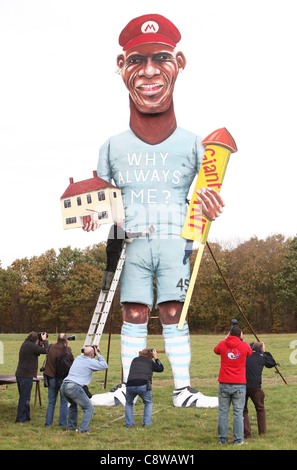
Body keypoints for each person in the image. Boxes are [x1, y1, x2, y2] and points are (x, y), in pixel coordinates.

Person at [84, 13, 225, 408]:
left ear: (179, 63)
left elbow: (210, 190)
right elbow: (102, 198)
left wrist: (211, 204)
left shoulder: (196, 143)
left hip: (175, 239)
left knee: (173, 310)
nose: (149, 71)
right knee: (132, 311)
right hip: (129, 242)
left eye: (161, 58)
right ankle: (128, 390)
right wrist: (95, 217)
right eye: (136, 60)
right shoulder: (111, 145)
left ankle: (182, 391)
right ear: (121, 66)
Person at [214, 325, 253, 445]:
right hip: (239, 383)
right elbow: (250, 353)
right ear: (240, 335)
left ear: (229, 333)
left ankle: (222, 439)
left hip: (224, 382)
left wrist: (226, 338)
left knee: (223, 412)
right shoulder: (244, 345)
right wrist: (242, 340)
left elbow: (216, 350)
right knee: (238, 412)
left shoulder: (223, 343)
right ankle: (238, 439)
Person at [60, 345, 108, 433]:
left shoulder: (79, 358)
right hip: (74, 387)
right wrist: (98, 353)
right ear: (92, 354)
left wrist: (90, 349)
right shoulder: (90, 362)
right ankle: (83, 430)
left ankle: (71, 427)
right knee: (89, 408)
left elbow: (85, 351)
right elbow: (104, 365)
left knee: (73, 405)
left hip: (64, 386)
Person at [102, 222, 154, 291]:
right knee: (112, 268)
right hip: (114, 251)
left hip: (109, 249)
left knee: (108, 267)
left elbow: (125, 235)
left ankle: (103, 286)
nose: (122, 224)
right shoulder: (118, 230)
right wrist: (144, 232)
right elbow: (128, 235)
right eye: (121, 222)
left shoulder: (113, 227)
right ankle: (107, 286)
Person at [243, 341, 277, 439]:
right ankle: (262, 433)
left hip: (242, 385)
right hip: (256, 387)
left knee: (243, 410)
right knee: (260, 409)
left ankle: (247, 434)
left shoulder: (246, 355)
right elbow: (272, 363)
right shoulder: (262, 357)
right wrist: (266, 353)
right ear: (262, 348)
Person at [125, 348, 164, 428]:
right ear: (151, 355)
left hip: (130, 384)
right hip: (143, 385)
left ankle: (129, 424)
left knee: (129, 403)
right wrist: (156, 358)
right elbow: (160, 368)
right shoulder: (150, 361)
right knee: (148, 403)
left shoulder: (135, 360)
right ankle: (147, 423)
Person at [15, 331, 49, 423]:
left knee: (25, 397)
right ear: (36, 339)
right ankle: (20, 419)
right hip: (25, 375)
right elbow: (46, 350)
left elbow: (37, 352)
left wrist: (40, 342)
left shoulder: (26, 344)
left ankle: (26, 417)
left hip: (22, 374)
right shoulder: (30, 346)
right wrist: (45, 341)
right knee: (24, 397)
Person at [44, 333, 74, 428]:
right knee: (64, 402)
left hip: (51, 377)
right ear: (65, 340)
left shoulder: (50, 348)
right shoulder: (67, 350)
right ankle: (62, 423)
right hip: (63, 378)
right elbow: (71, 363)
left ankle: (48, 423)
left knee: (51, 402)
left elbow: (46, 349)